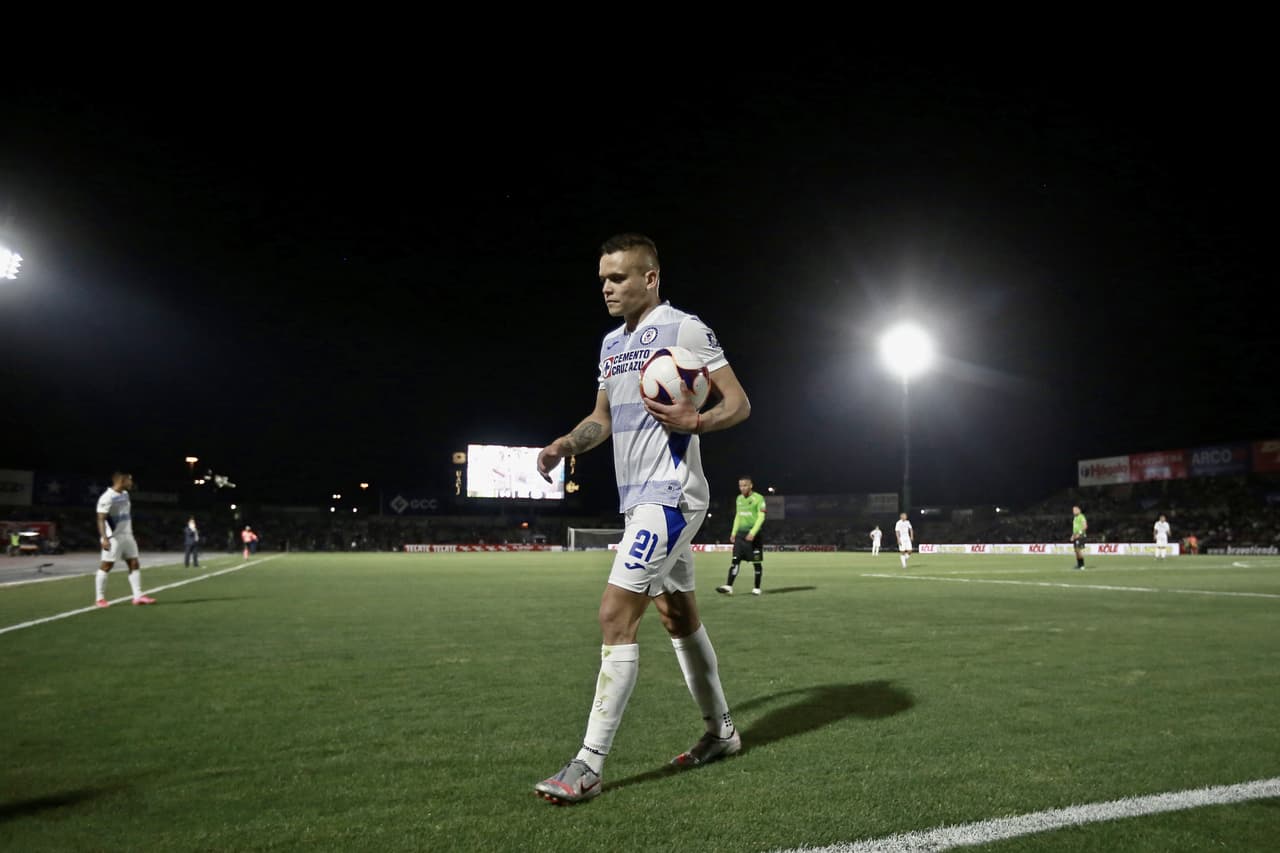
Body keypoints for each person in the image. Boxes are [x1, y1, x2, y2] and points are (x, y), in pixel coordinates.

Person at [532, 233, 751, 805]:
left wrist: (696, 421)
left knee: (614, 613)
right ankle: (721, 733)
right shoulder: (610, 344)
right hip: (637, 499)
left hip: (671, 494)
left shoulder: (686, 329)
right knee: (677, 616)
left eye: (618, 278)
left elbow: (737, 402)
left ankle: (588, 765)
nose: (606, 288)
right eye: (603, 279)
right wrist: (565, 445)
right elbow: (603, 418)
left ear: (650, 278)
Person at [94, 471, 156, 607]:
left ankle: (137, 596)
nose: (131, 483)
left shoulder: (125, 494)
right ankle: (100, 598)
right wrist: (105, 538)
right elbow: (101, 519)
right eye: (129, 480)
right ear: (121, 480)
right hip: (113, 538)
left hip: (128, 535)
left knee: (134, 563)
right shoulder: (106, 497)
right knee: (107, 565)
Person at [716, 476, 766, 595]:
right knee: (735, 560)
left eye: (745, 485)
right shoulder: (739, 499)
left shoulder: (759, 498)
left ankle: (757, 588)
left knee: (757, 562)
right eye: (740, 486)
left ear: (751, 485)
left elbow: (761, 516)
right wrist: (734, 532)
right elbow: (738, 516)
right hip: (740, 536)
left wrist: (753, 532)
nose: (742, 488)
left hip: (754, 536)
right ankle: (729, 586)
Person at [1071, 505, 1088, 570]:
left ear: (1079, 510)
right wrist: (1073, 535)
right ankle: (1079, 564)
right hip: (1076, 536)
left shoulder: (1081, 516)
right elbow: (1075, 528)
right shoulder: (1075, 518)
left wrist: (1079, 533)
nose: (1074, 511)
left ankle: (1082, 565)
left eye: (1075, 510)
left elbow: (1085, 526)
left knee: (1078, 549)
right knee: (1076, 550)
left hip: (1081, 536)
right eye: (1073, 510)